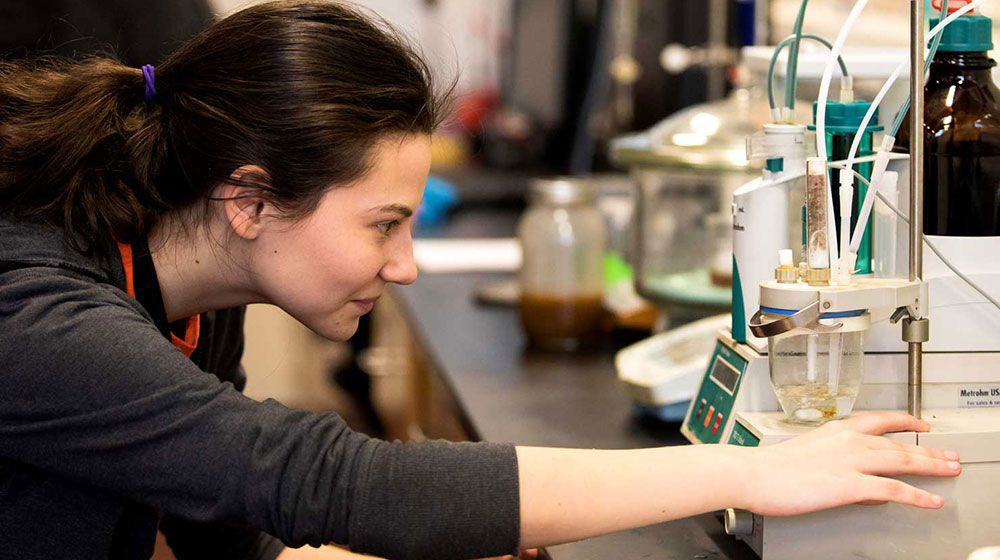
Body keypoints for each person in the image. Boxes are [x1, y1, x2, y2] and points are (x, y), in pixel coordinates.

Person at [0, 2, 962, 559]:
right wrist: (751, 470)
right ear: (249, 200)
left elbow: (231, 530)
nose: (405, 263)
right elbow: (315, 476)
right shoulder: (40, 316)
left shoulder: (188, 293)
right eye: (381, 224)